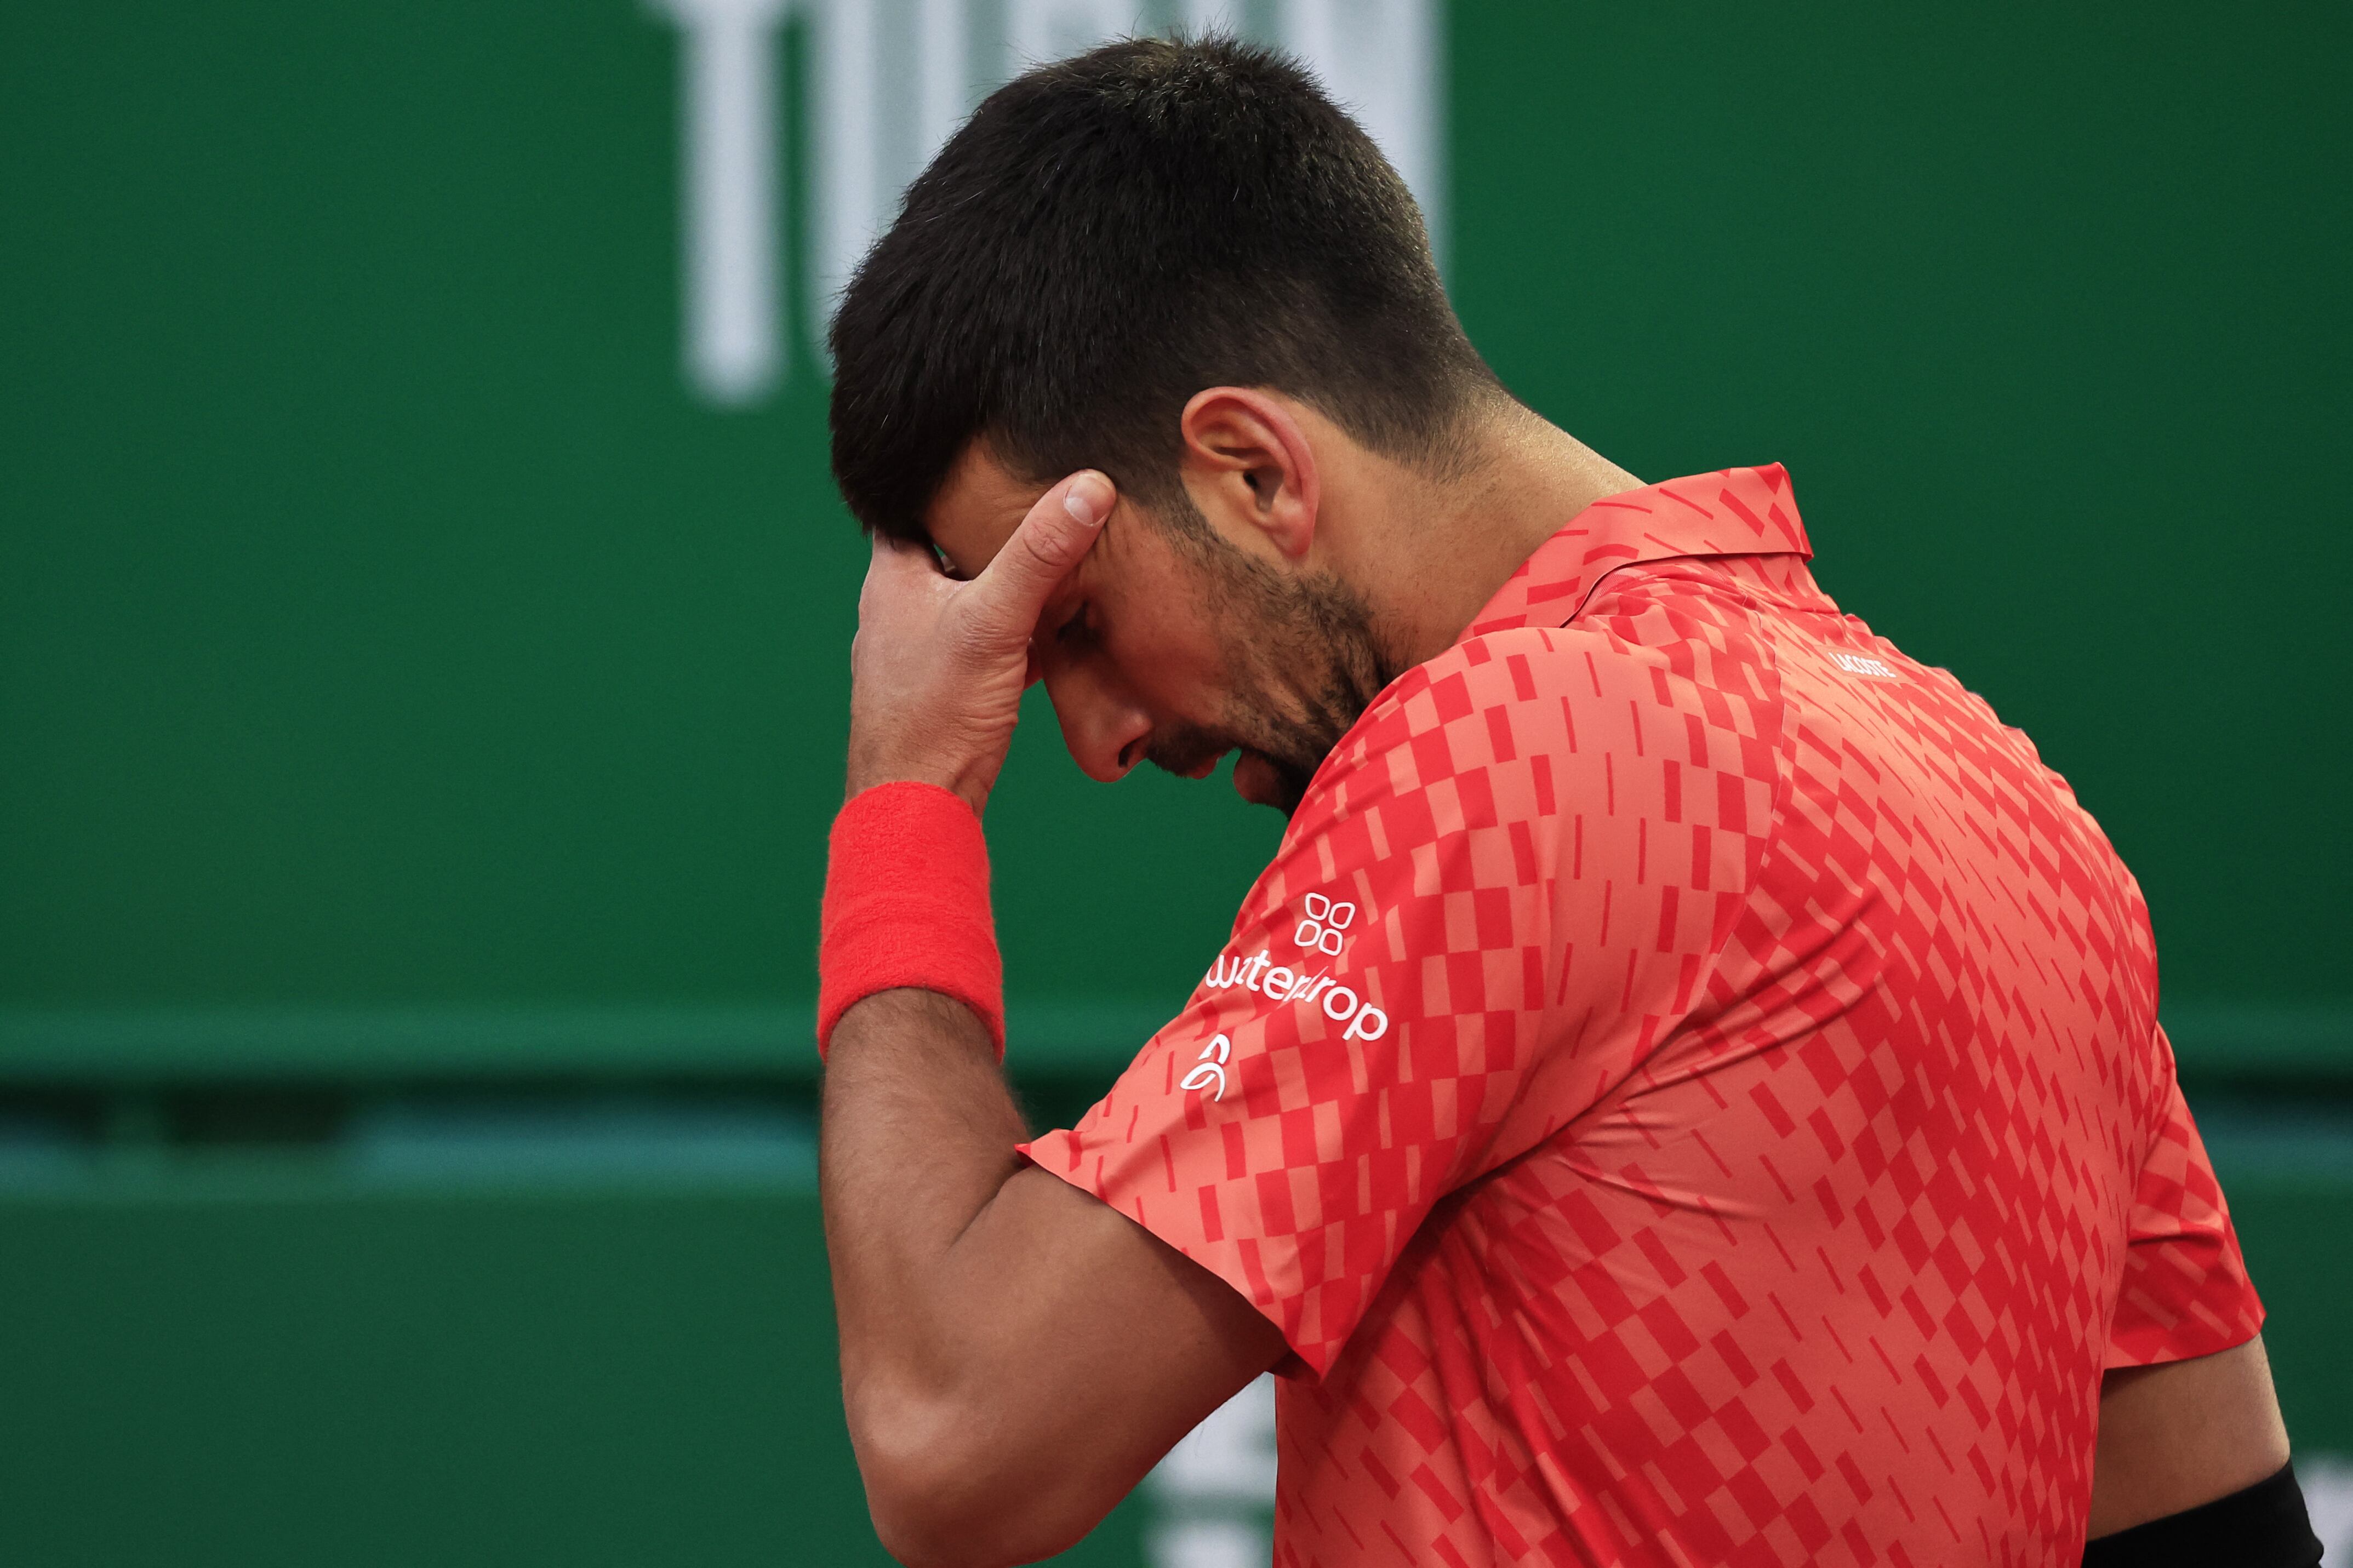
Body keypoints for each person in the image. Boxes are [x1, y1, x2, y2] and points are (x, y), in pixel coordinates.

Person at [812, 35, 2320, 1568]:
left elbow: (954, 1434)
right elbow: (2225, 1538)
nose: (1095, 740)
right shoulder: (2018, 811)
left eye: (1076, 628)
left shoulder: (1514, 745)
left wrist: (907, 795)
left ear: (1255, 471)